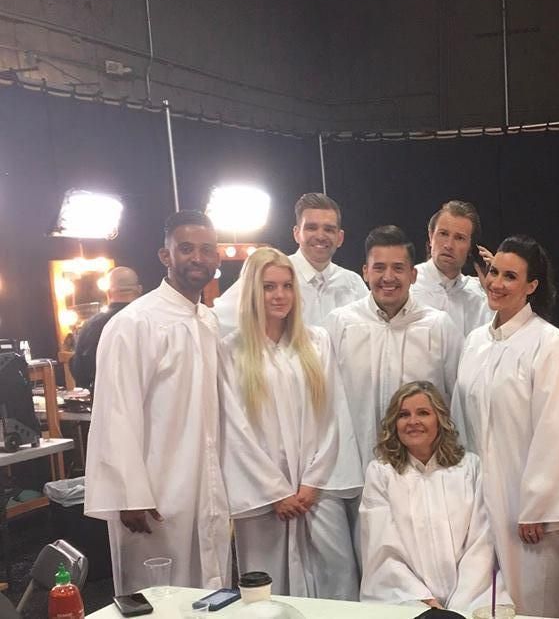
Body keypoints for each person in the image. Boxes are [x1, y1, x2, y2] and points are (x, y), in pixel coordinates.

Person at [84, 211, 231, 594]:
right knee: (157, 593)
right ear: (166, 255)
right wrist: (129, 494)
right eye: (186, 248)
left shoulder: (209, 321)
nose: (197, 258)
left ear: (217, 258)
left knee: (209, 589)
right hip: (156, 489)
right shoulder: (135, 323)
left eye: (206, 250)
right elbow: (116, 412)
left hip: (204, 481)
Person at [453, 234, 559, 619]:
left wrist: (538, 506)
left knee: (534, 602)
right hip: (481, 501)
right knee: (480, 602)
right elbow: (461, 421)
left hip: (529, 511)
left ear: (532, 286)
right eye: (494, 272)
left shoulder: (550, 344)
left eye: (510, 276)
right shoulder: (475, 342)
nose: (496, 283)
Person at [218, 247, 363, 599]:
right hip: (263, 496)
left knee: (337, 575)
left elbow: (333, 413)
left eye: (286, 286)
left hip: (318, 488)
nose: (279, 295)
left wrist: (311, 482)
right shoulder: (231, 351)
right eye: (269, 287)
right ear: (252, 291)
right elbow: (234, 428)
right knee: (267, 587)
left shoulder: (316, 342)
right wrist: (275, 492)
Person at [359, 381, 510, 613]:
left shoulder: (469, 467)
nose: (413, 421)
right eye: (403, 415)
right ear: (394, 423)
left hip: (472, 596)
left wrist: (460, 604)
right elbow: (382, 548)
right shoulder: (381, 473)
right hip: (405, 598)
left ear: (440, 419)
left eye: (423, 413)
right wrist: (424, 600)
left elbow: (481, 541)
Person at [323, 225, 463, 472]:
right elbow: (323, 400)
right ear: (365, 272)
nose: (388, 277)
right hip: (353, 469)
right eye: (379, 268)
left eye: (398, 268)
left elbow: (458, 403)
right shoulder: (340, 323)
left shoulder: (439, 326)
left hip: (422, 474)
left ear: (413, 274)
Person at [214, 193, 367, 335]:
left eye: (329, 229)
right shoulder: (269, 274)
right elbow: (216, 321)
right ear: (296, 233)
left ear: (340, 238)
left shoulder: (353, 283)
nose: (320, 236)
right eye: (311, 228)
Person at [410, 200, 493, 336]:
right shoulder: (408, 285)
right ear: (431, 237)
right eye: (443, 234)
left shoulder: (480, 294)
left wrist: (496, 287)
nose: (449, 245)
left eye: (459, 238)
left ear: (470, 247)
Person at [69, 266, 142, 391]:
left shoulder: (92, 325)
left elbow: (81, 373)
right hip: (151, 398)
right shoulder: (155, 320)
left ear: (108, 293)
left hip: (106, 398)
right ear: (139, 290)